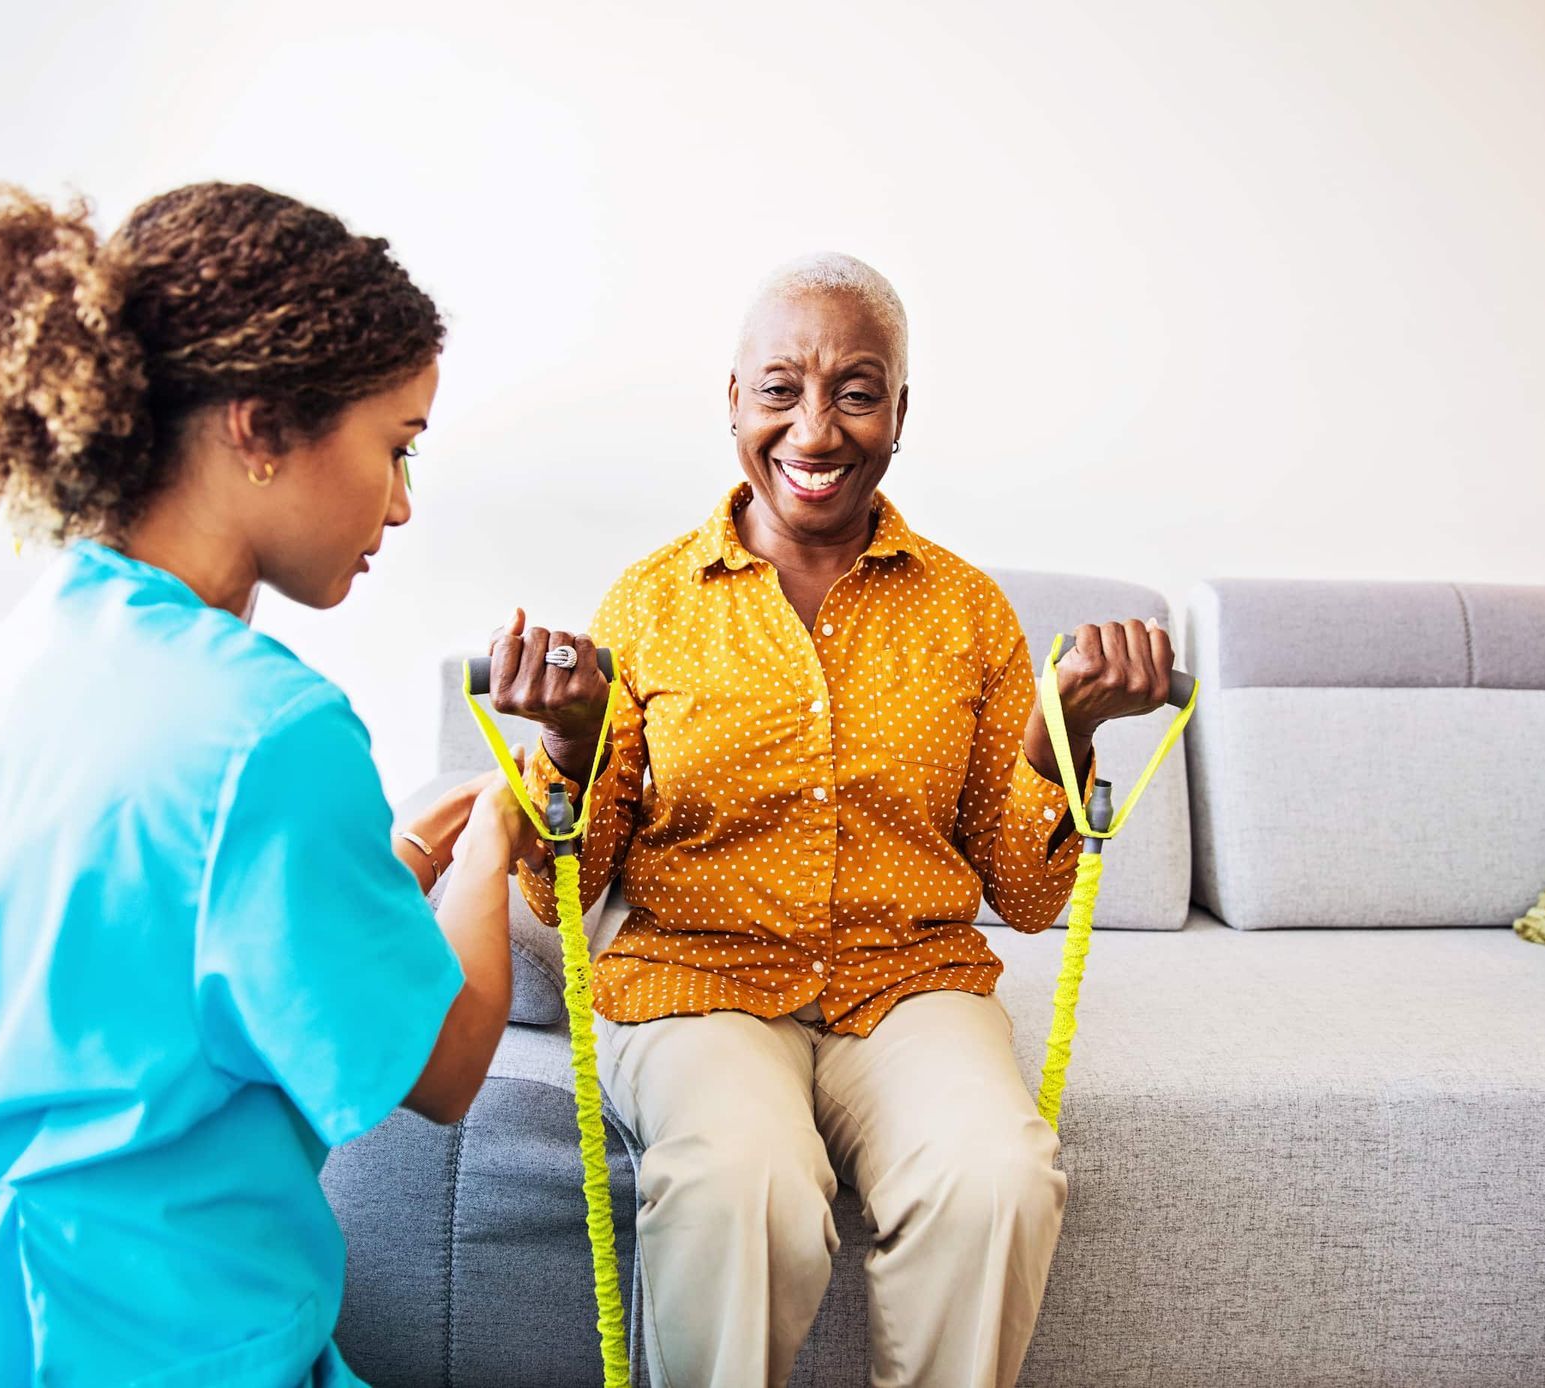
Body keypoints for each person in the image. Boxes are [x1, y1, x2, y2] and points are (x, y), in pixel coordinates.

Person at [0, 182, 525, 1388]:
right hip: (162, 1338)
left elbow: (157, 967)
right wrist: (498, 844)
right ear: (259, 427)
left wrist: (386, 861)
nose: (402, 502)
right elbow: (447, 1064)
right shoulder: (274, 730)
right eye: (395, 447)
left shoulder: (28, 653)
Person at [489, 253, 1175, 1388]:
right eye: (780, 389)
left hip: (905, 982)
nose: (816, 427)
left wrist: (1071, 730)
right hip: (694, 979)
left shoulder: (967, 608)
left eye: (857, 390)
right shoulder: (650, 603)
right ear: (732, 402)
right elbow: (570, 882)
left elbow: (1030, 891)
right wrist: (569, 743)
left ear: (900, 412)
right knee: (739, 1183)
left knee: (997, 1173)